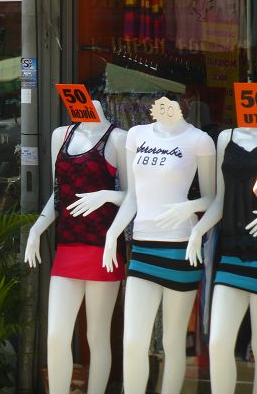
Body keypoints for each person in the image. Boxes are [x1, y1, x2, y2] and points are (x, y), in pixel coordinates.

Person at [103, 97, 215, 394]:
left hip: (181, 249)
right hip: (142, 249)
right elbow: (132, 196)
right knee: (132, 341)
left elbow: (211, 198)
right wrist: (112, 233)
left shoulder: (199, 140)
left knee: (173, 342)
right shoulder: (137, 135)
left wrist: (189, 208)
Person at [24, 100, 128, 394]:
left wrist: (106, 195)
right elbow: (58, 194)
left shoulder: (117, 138)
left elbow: (133, 196)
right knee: (56, 335)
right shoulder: (61, 135)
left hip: (103, 248)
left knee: (97, 336)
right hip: (68, 246)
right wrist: (36, 228)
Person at [186, 127, 257, 393]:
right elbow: (220, 199)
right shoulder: (226, 137)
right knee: (217, 343)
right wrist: (198, 230)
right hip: (232, 252)